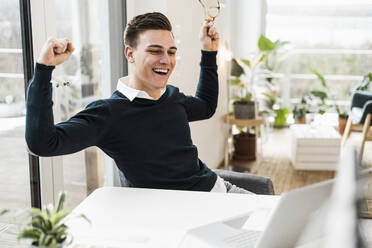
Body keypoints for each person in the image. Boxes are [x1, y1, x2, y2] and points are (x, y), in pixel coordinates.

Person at [26, 12, 252, 194]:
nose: (166, 60)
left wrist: (209, 52)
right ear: (130, 54)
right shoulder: (108, 114)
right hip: (181, 214)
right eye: (155, 51)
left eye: (171, 52)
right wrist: (44, 69)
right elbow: (43, 143)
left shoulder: (172, 97)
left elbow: (206, 106)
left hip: (222, 191)